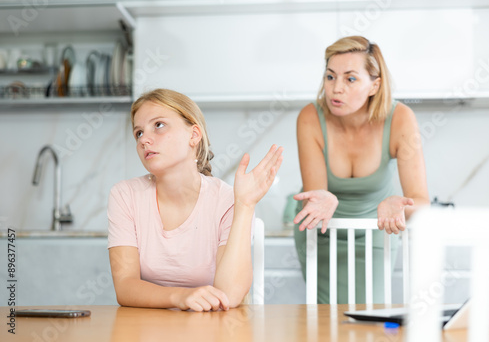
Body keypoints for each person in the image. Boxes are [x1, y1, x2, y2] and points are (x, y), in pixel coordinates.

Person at [107, 88, 283, 311]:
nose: (144, 140)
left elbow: (229, 294)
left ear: (194, 135)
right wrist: (181, 297)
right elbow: (125, 287)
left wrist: (245, 205)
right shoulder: (125, 195)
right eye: (139, 133)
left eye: (158, 125)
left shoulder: (226, 198)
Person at [293, 36, 429, 304]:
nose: (336, 89)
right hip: (321, 231)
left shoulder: (400, 119)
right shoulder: (310, 117)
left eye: (350, 79)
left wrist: (399, 207)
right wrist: (322, 196)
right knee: (326, 319)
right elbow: (316, 193)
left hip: (376, 230)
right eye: (330, 77)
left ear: (374, 85)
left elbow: (421, 202)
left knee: (371, 314)